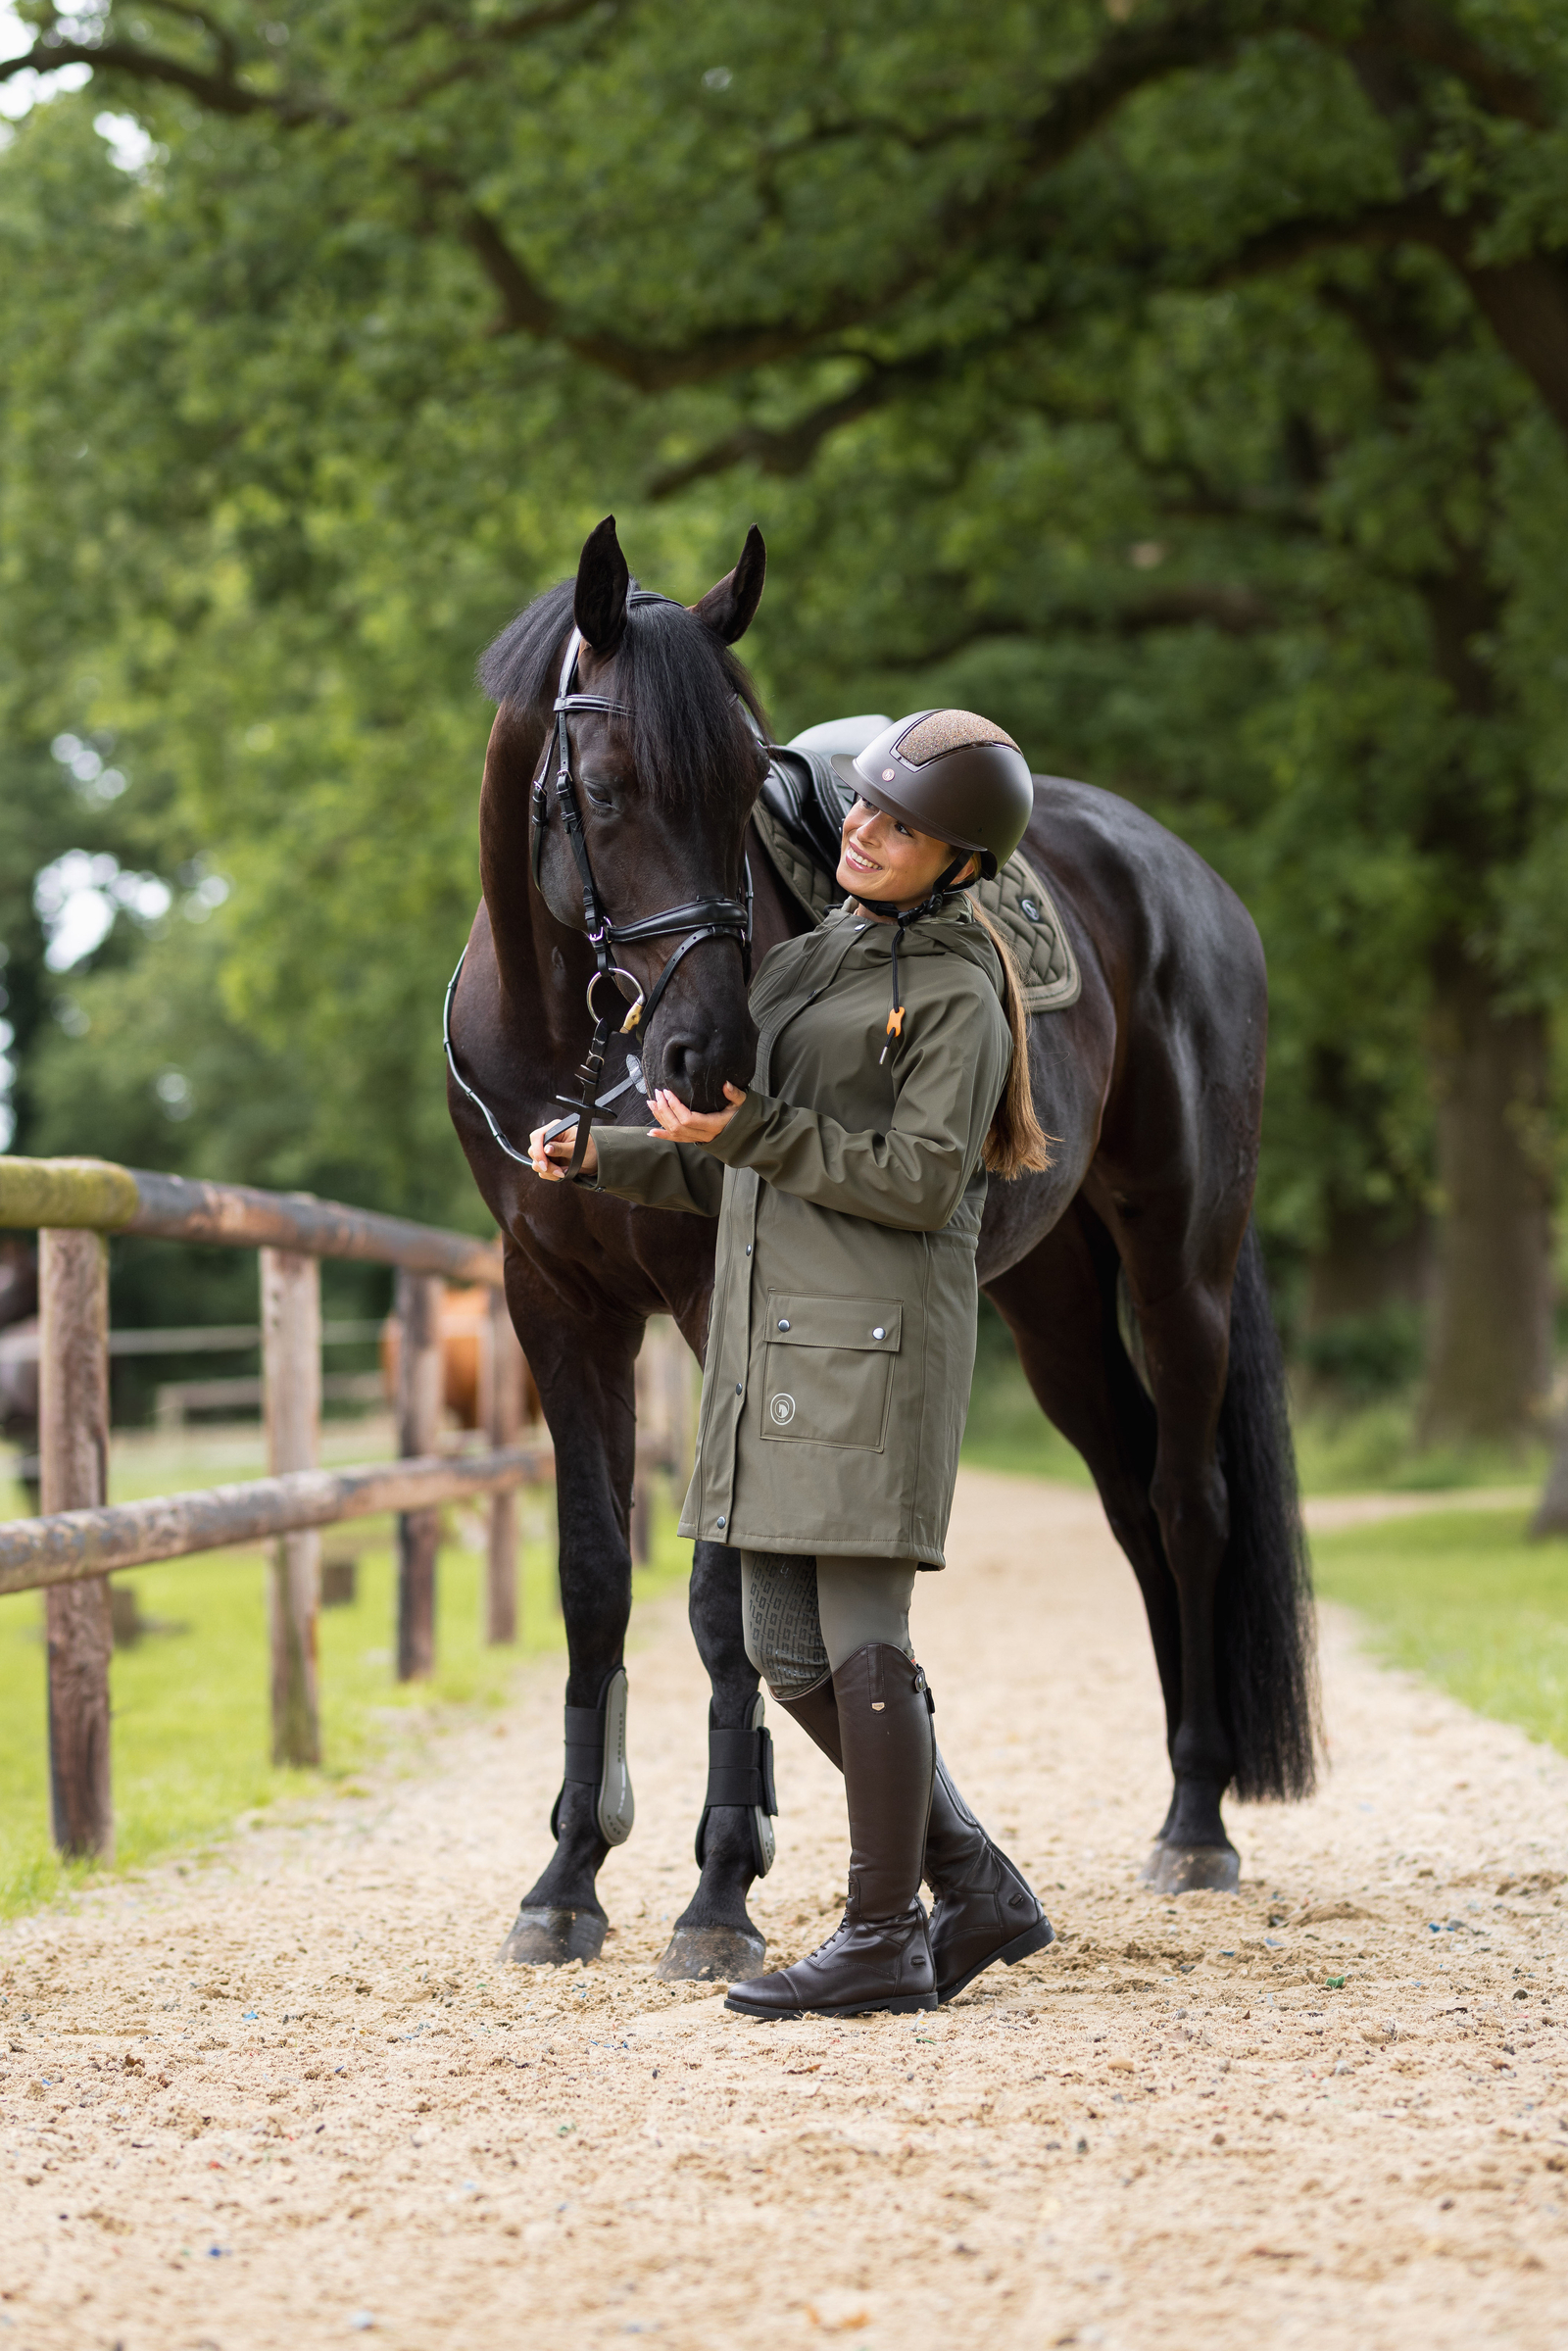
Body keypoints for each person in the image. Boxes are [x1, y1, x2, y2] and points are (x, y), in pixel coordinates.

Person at [529, 709, 1056, 2017]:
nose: (866, 834)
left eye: (903, 828)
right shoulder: (815, 962)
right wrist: (609, 1157)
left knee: (863, 1633)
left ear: (962, 866)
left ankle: (883, 1931)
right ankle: (972, 1881)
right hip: (775, 1345)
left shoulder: (952, 996)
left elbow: (920, 1181)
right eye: (866, 812)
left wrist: (752, 1129)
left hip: (872, 1348)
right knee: (777, 1640)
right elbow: (730, 1149)